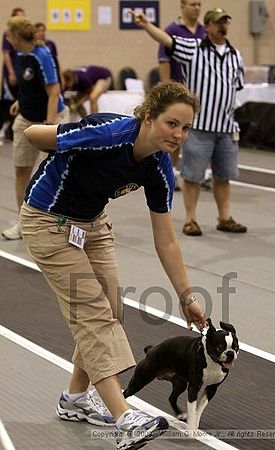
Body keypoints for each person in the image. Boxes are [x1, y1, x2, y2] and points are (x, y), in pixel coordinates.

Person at [20, 81, 207, 449]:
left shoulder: (158, 168)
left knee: (111, 310)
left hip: (92, 225)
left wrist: (186, 297)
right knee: (93, 316)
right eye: (172, 124)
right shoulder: (109, 133)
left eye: (185, 128)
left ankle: (75, 399)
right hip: (48, 220)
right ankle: (124, 418)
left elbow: (166, 238)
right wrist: (57, 144)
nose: (179, 135)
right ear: (149, 117)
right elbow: (30, 133)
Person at [131, 8, 247, 236]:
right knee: (192, 176)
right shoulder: (194, 49)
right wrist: (146, 25)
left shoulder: (236, 56)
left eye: (226, 21)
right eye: (218, 22)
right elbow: (167, 40)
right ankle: (190, 219)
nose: (223, 26)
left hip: (226, 127)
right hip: (201, 127)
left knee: (223, 176)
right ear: (209, 26)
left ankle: (224, 217)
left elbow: (238, 87)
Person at [1, 16, 69, 240]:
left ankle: (60, 220)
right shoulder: (19, 55)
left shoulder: (43, 55)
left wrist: (49, 128)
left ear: (17, 36)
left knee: (56, 171)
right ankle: (24, 222)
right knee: (22, 170)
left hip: (50, 117)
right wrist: (20, 101)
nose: (7, 38)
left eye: (9, 35)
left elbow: (53, 91)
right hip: (25, 118)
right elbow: (29, 85)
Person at [158, 0, 206, 191]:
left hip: (199, 95)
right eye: (192, 4)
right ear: (182, 6)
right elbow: (164, 62)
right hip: (179, 94)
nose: (196, 8)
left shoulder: (204, 31)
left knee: (198, 138)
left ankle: (200, 174)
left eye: (199, 4)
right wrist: (167, 92)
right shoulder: (171, 30)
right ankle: (169, 173)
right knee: (175, 137)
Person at [0, 7, 25, 141]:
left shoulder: (24, 35)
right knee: (6, 103)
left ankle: (12, 131)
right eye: (19, 17)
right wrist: (11, 72)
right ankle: (3, 128)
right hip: (12, 74)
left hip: (22, 74)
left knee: (19, 102)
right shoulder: (8, 34)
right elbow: (6, 54)